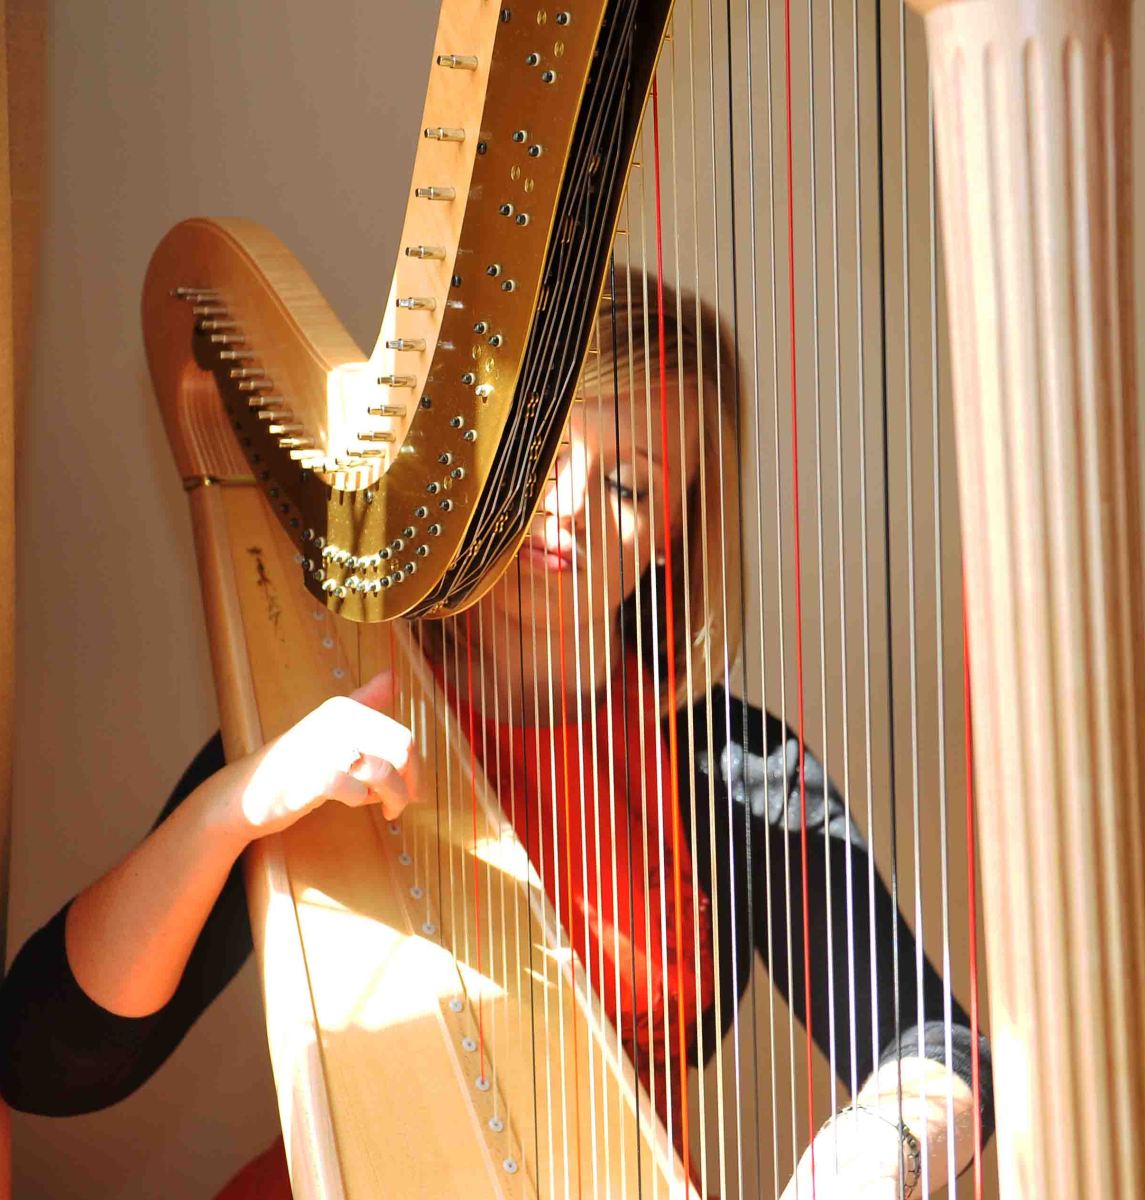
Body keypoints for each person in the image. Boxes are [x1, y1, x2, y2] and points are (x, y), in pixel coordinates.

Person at [0, 271, 991, 1199]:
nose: (567, 511)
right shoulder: (331, 720)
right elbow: (48, 1063)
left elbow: (938, 1043)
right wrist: (233, 808)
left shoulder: (735, 765)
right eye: (544, 455)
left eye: (629, 487)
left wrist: (870, 1158)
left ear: (676, 538)